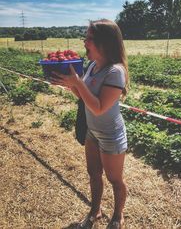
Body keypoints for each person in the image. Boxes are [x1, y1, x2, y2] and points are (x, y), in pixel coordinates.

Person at [51, 19, 129, 229]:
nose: (84, 42)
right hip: (92, 132)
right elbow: (84, 97)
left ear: (104, 43)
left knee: (115, 179)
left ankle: (118, 215)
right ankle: (95, 211)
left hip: (111, 135)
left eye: (89, 38)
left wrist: (77, 82)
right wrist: (70, 85)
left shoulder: (115, 71)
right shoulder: (93, 65)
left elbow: (98, 107)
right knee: (94, 174)